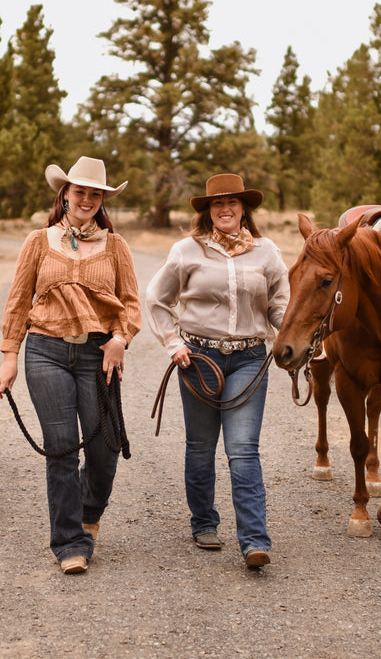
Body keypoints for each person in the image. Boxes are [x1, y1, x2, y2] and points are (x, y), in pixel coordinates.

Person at [0, 156, 142, 575]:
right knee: (60, 448)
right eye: (80, 192)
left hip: (97, 354)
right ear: (65, 194)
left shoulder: (116, 246)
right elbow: (18, 301)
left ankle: (89, 511)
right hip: (46, 351)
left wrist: (120, 339)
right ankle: (69, 542)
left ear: (102, 200)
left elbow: (131, 304)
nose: (87, 199)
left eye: (95, 194)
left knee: (104, 449)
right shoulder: (38, 242)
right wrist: (9, 358)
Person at [144, 173, 289, 570]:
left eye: (232, 202)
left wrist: (291, 332)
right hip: (198, 358)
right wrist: (174, 344)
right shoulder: (187, 251)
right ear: (208, 211)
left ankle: (254, 541)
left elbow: (278, 303)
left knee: (243, 449)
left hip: (249, 358)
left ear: (244, 208)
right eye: (217, 203)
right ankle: (204, 522)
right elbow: (156, 299)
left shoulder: (267, 252)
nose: (225, 209)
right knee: (200, 446)